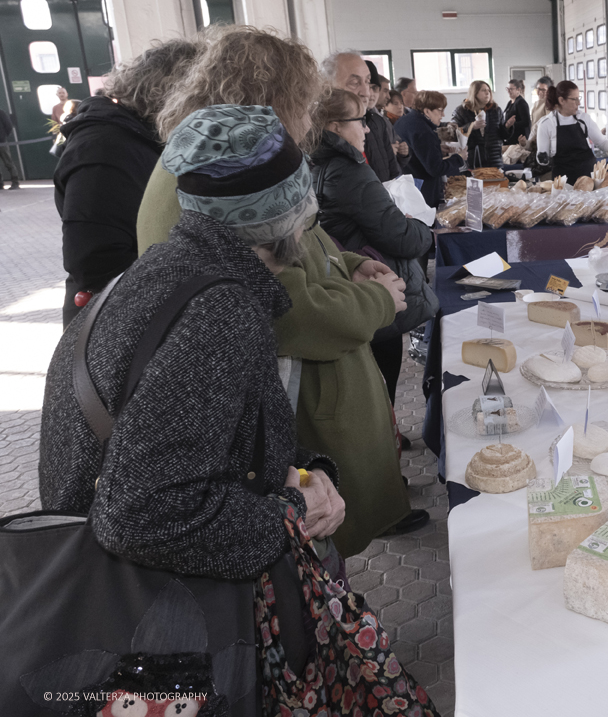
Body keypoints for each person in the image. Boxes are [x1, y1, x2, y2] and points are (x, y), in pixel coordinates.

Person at [39, 105, 438, 711]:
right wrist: (292, 510)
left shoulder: (167, 268)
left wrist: (302, 465)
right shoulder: (220, 312)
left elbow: (206, 427)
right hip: (162, 625)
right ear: (292, 220)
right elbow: (140, 516)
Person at [138, 27, 430, 550]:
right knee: (312, 545)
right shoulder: (217, 172)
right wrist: (378, 301)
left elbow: (302, 237)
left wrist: (350, 263)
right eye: (304, 102)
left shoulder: (224, 155)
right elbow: (282, 305)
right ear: (273, 99)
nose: (309, 119)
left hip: (311, 381)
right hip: (296, 393)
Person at [54, 38, 202, 325]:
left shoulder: (136, 135)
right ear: (176, 94)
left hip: (136, 307)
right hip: (116, 318)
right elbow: (94, 260)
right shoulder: (104, 147)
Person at [311, 88, 438, 405]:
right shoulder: (349, 171)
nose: (367, 129)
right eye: (360, 121)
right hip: (372, 282)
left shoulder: (315, 162)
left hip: (350, 283)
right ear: (335, 127)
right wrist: (423, 229)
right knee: (382, 380)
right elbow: (400, 237)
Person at [323, 51, 401, 185]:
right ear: (327, 86)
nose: (366, 93)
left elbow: (394, 174)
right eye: (354, 83)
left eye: (367, 82)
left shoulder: (376, 123)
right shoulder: (316, 134)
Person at [535, 80, 608, 184]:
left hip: (588, 178)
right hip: (563, 182)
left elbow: (601, 142)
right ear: (562, 100)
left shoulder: (583, 119)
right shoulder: (546, 124)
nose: (579, 103)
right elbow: (542, 158)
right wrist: (542, 157)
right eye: (574, 99)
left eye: (578, 98)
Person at [396, 90, 466, 206]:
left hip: (407, 187)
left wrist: (437, 150)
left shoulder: (406, 120)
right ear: (427, 111)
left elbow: (416, 152)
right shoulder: (423, 130)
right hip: (422, 193)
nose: (443, 115)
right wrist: (459, 157)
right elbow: (435, 169)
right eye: (440, 110)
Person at [453, 80, 505, 168]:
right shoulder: (461, 110)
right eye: (484, 90)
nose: (487, 93)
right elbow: (453, 132)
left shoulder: (496, 110)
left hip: (494, 159)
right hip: (471, 160)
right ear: (475, 93)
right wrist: (471, 126)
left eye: (489, 90)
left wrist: (508, 127)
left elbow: (503, 136)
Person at [501, 78, 531, 146]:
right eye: (507, 89)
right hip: (510, 138)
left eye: (511, 89)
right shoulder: (510, 102)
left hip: (518, 140)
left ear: (518, 90)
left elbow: (526, 122)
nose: (508, 91)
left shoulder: (521, 103)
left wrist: (511, 124)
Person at [0, 107, 20, 190]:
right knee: (8, 162)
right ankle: (0, 184)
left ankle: (15, 182)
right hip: (2, 141)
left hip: (2, 142)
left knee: (8, 163)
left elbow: (8, 125)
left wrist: (3, 137)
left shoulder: (1, 112)